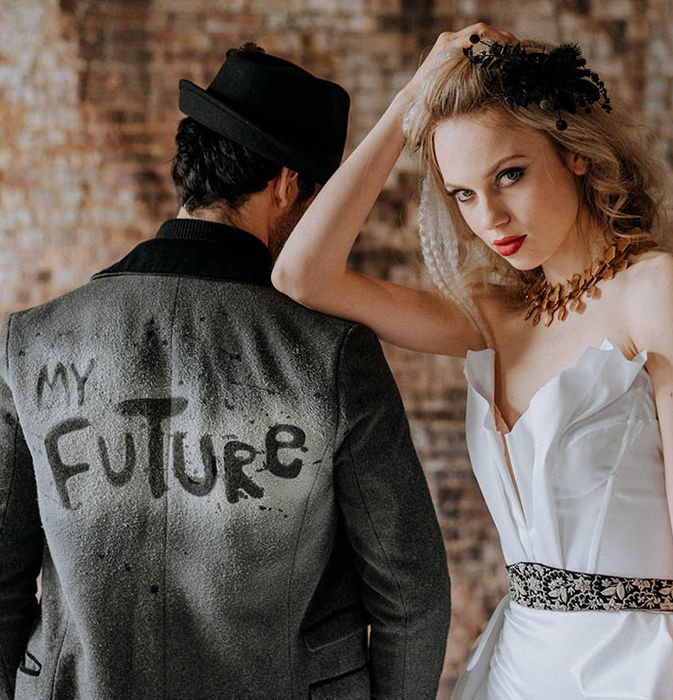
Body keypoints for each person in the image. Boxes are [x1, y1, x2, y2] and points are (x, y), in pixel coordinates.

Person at [271, 23, 673, 699]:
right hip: (515, 667)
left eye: (510, 174)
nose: (491, 216)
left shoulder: (660, 293)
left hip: (643, 669)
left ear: (575, 153)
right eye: (464, 194)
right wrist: (413, 99)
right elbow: (303, 275)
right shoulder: (493, 318)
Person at [0, 44, 451, 699]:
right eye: (315, 200)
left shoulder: (30, 342)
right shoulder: (331, 350)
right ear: (287, 186)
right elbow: (411, 597)